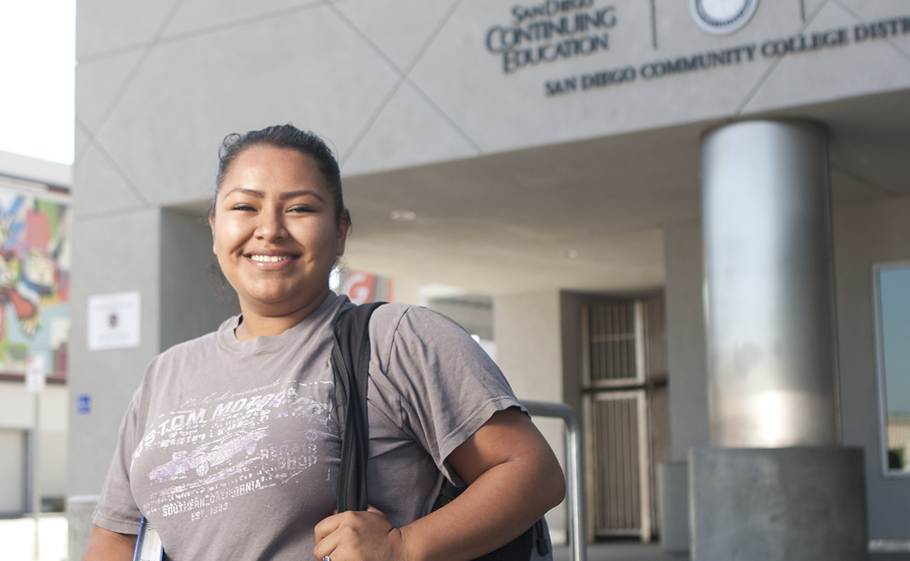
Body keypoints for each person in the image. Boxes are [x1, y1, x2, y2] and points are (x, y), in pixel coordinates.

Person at [83, 124, 565, 561]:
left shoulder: (398, 339)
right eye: (245, 207)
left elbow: (531, 470)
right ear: (215, 227)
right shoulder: (166, 373)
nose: (269, 229)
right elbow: (116, 537)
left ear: (340, 232)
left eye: (299, 208)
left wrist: (403, 548)